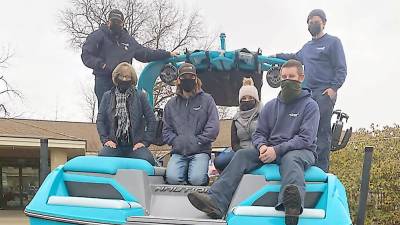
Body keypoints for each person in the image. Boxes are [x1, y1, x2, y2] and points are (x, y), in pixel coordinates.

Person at [187, 60, 320, 225]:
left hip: (301, 150)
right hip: (271, 149)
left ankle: (291, 207)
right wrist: (262, 146)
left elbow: (305, 138)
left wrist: (276, 150)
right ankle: (216, 202)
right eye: (284, 77)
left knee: (291, 159)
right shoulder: (271, 107)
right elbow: (259, 133)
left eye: (291, 77)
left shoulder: (310, 106)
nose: (287, 80)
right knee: (242, 154)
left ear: (301, 78)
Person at [272, 9, 347, 172]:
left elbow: (341, 68)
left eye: (316, 21)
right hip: (306, 93)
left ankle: (320, 169)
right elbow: (293, 57)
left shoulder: (333, 42)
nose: (313, 23)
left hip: (323, 93)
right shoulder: (307, 47)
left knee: (320, 129)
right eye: (310, 21)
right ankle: (303, 162)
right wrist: (275, 55)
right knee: (301, 128)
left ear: (324, 23)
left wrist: (333, 89)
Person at [81, 9, 177, 106]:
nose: (116, 24)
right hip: (104, 80)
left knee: (129, 111)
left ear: (123, 23)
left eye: (118, 22)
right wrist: (101, 65)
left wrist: (167, 54)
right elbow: (86, 55)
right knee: (106, 112)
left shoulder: (128, 40)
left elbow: (145, 53)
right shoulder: (98, 35)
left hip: (124, 81)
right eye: (113, 21)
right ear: (108, 22)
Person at [163, 63, 219, 186]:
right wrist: (176, 141)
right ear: (178, 80)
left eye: (191, 76)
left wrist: (198, 141)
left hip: (200, 151)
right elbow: (166, 129)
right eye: (184, 76)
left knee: (196, 180)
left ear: (196, 79)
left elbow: (213, 127)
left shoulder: (207, 100)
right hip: (178, 152)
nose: (187, 79)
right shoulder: (171, 104)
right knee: (172, 179)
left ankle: (201, 178)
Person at [96, 62, 157, 166]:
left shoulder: (140, 96)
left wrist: (145, 142)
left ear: (132, 79)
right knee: (102, 160)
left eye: (127, 77)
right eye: (121, 76)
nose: (124, 79)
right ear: (116, 77)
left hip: (134, 146)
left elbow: (151, 119)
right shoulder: (107, 96)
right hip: (114, 145)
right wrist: (105, 140)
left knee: (148, 161)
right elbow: (100, 120)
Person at [213, 77, 260, 173]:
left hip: (258, 150)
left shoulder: (263, 115)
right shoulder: (236, 119)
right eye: (244, 98)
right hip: (240, 150)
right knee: (219, 161)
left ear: (256, 99)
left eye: (250, 98)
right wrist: (241, 152)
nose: (247, 100)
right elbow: (234, 143)